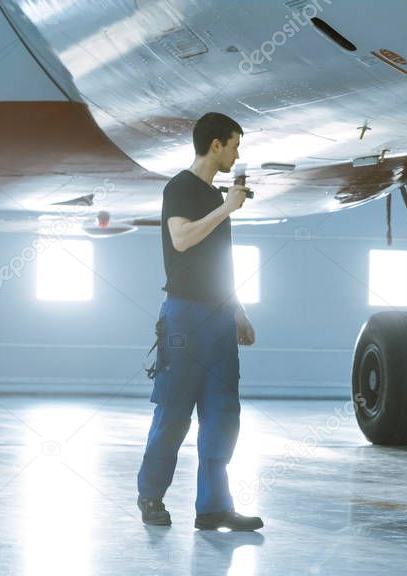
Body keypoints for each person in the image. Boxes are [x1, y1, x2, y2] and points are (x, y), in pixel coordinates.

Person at [136, 112, 262, 531]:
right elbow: (182, 239)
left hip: (220, 317)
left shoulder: (213, 196)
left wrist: (238, 310)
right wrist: (227, 208)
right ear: (215, 145)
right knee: (173, 412)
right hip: (184, 318)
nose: (237, 154)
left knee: (223, 415)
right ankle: (151, 497)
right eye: (235, 145)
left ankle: (213, 508)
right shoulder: (181, 188)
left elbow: (220, 264)